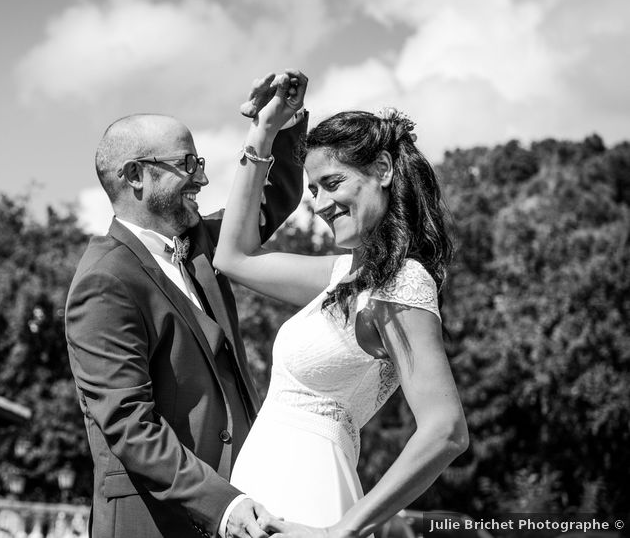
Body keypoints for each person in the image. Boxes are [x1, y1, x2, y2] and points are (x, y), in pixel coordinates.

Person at [214, 70, 469, 538]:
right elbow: (233, 256)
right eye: (312, 190)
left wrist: (341, 530)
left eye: (332, 182)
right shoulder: (342, 278)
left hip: (307, 500)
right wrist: (264, 131)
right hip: (261, 491)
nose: (319, 202)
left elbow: (446, 429)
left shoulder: (402, 282)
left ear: (385, 172)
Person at [64, 100, 308, 538]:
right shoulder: (104, 280)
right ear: (136, 175)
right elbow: (128, 423)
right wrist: (225, 504)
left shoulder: (204, 243)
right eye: (187, 163)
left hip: (243, 506)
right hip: (155, 524)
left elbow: (271, 199)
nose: (203, 176)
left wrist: (281, 122)